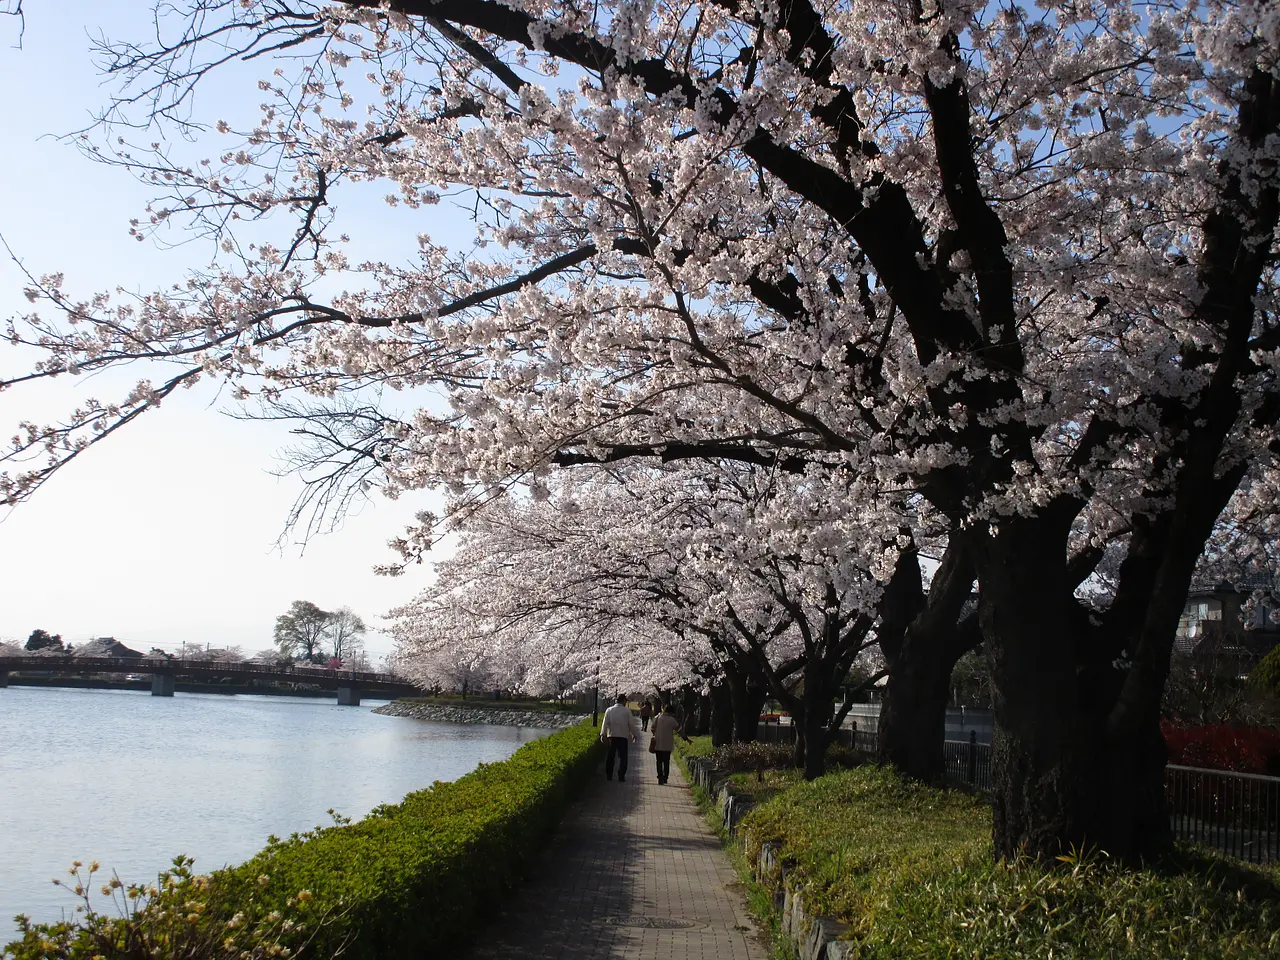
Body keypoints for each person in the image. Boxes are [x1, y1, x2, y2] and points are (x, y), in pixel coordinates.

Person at [650, 701, 691, 785]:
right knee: (666, 761)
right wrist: (686, 739)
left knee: (659, 761)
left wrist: (655, 734)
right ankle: (665, 778)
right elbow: (679, 730)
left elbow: (652, 728)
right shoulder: (672, 720)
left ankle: (660, 777)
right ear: (671, 712)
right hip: (667, 744)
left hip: (658, 743)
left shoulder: (658, 717)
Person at [599, 693, 636, 781]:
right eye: (625, 701)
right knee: (623, 757)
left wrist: (603, 734)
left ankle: (609, 775)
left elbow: (605, 723)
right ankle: (621, 775)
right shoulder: (627, 711)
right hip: (623, 736)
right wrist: (634, 734)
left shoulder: (609, 710)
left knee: (610, 756)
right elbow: (631, 724)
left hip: (612, 735)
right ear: (623, 701)